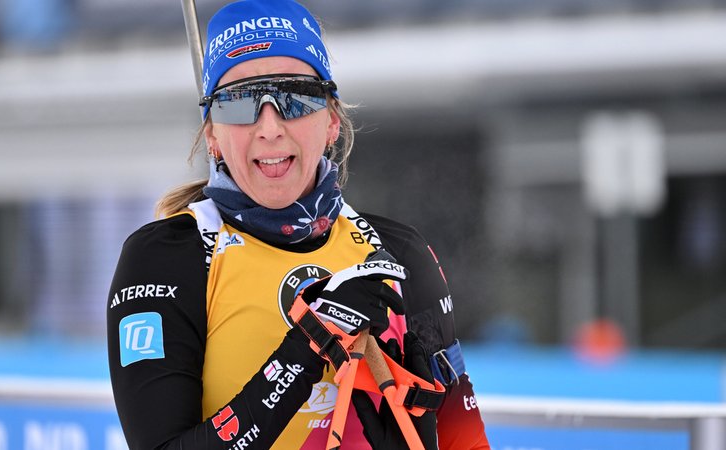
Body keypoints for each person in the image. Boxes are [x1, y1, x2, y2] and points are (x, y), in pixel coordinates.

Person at [106, 0, 490, 448]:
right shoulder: (168, 258)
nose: (269, 128)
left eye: (295, 97)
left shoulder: (397, 254)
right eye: (238, 102)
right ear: (212, 132)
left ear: (330, 120)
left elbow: (466, 440)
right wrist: (310, 345)